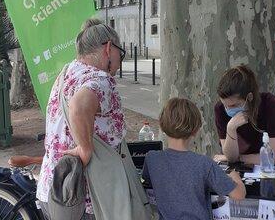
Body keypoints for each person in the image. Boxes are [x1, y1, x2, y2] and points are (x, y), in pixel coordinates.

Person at [36, 19, 127, 219]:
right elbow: (79, 106)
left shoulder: (66, 73)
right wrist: (84, 148)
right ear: (109, 48)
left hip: (55, 189)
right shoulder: (100, 78)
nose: (120, 62)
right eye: (121, 53)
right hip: (85, 196)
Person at [142, 98, 246, 220]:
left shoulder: (152, 159)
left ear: (162, 125)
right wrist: (235, 177)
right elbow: (239, 195)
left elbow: (148, 182)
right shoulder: (204, 164)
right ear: (195, 131)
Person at [213, 65, 275, 164]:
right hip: (238, 169)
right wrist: (231, 128)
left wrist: (239, 158)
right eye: (225, 105)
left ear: (249, 97)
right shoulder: (220, 109)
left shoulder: (270, 104)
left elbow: (272, 157)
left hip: (268, 168)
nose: (228, 109)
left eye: (234, 105)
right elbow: (231, 157)